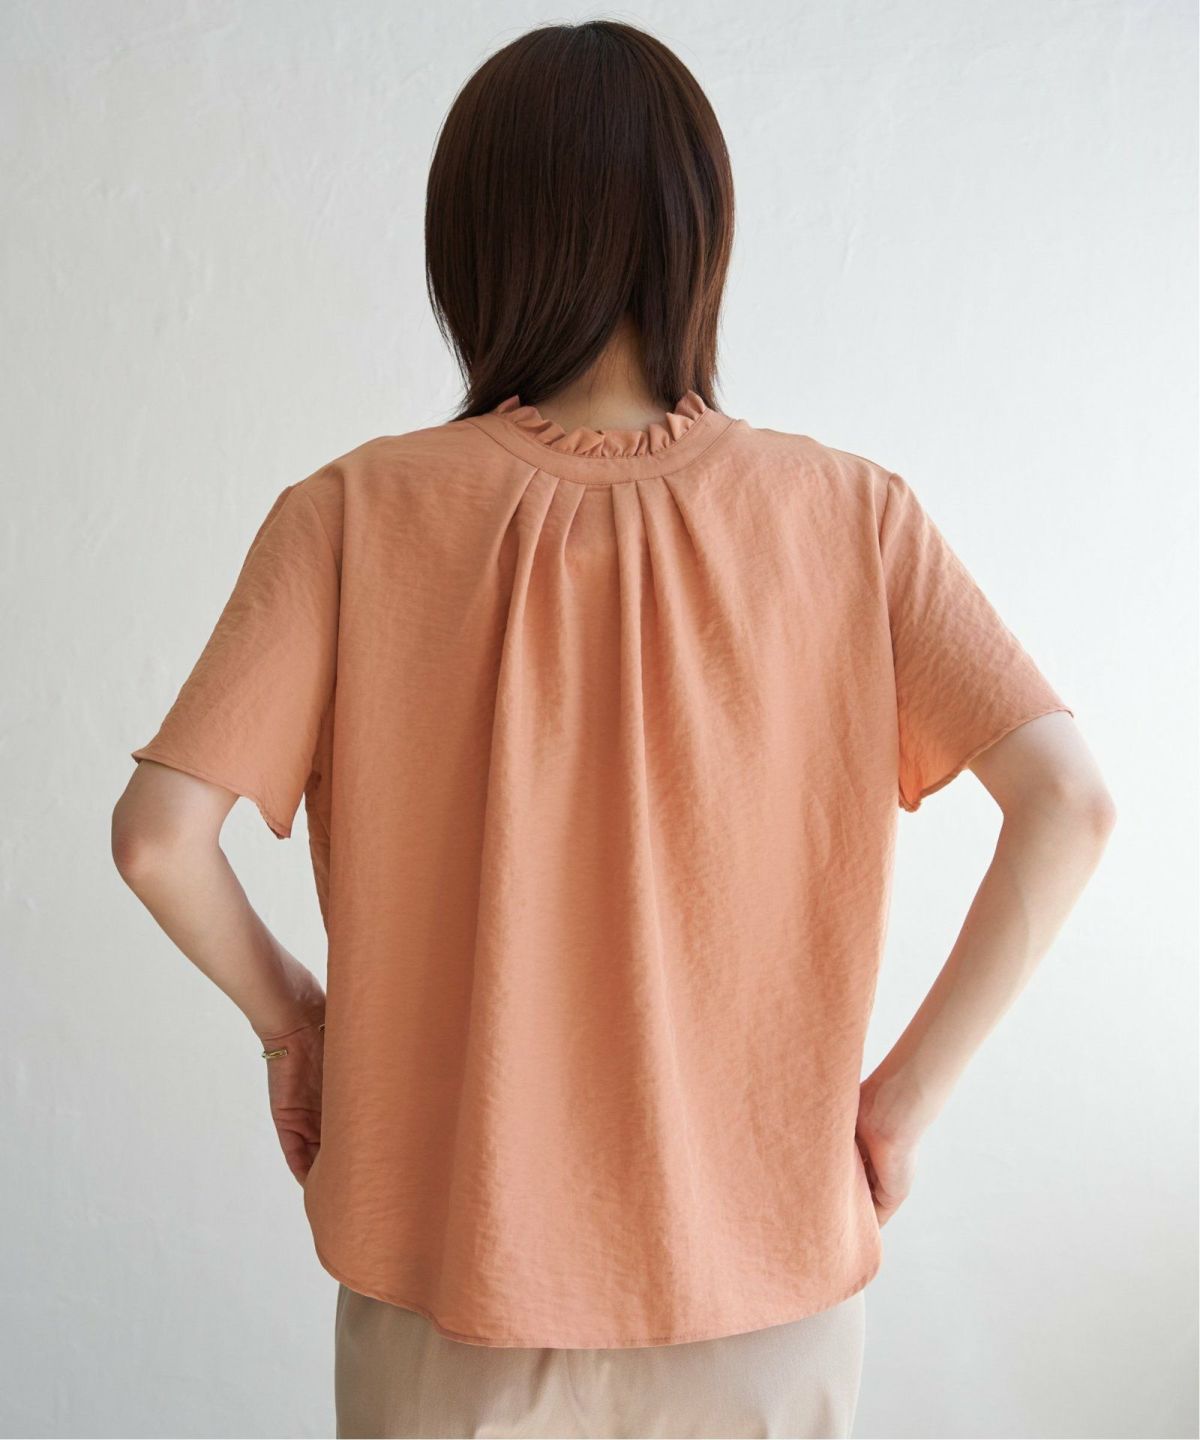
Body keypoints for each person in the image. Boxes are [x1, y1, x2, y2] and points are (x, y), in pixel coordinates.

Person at [110, 18, 1116, 1440]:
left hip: (450, 1290)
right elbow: (1071, 803)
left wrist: (296, 1027)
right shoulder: (851, 516)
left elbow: (159, 840)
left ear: (471, 244)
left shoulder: (353, 514)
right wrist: (898, 1105)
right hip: (766, 1290)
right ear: (701, 235)